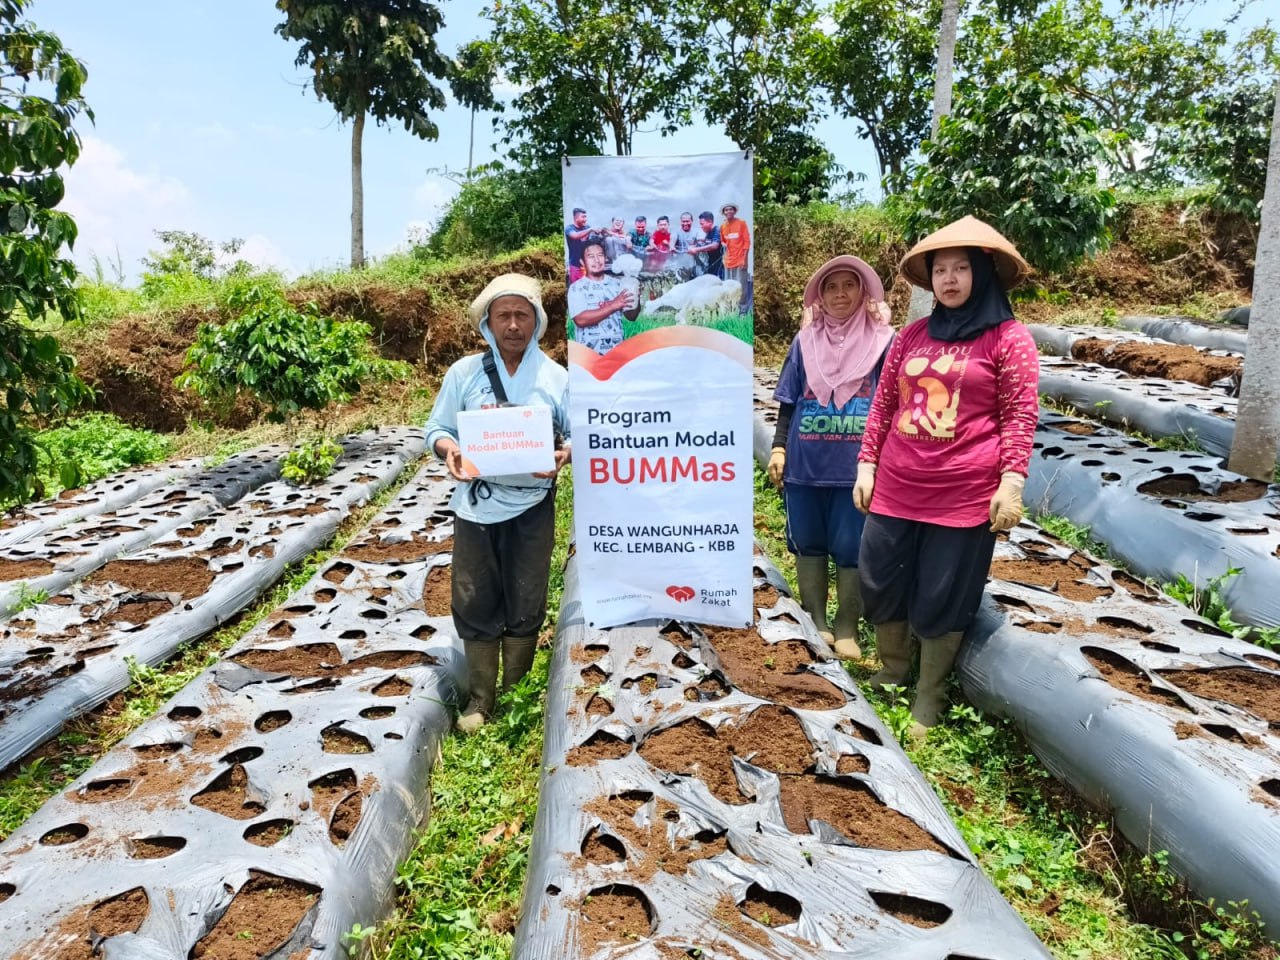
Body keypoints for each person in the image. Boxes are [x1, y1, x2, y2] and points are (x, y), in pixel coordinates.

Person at [853, 216, 1038, 738]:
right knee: (879, 575)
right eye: (940, 270)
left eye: (961, 268)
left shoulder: (1009, 339)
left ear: (983, 273)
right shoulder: (912, 335)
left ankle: (928, 694)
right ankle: (893, 667)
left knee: (944, 591)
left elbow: (1020, 414)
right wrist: (867, 464)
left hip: (963, 492)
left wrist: (1012, 480)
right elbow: (884, 404)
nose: (949, 279)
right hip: (898, 484)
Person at [424, 274, 571, 734]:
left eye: (521, 315)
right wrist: (450, 449)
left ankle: (516, 693)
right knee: (474, 595)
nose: (512, 325)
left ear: (537, 322)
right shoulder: (464, 374)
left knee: (527, 593)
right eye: (503, 315)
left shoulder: (556, 378)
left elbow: (577, 433)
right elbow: (437, 429)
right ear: (487, 323)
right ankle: (481, 698)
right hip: (476, 506)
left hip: (531, 504)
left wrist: (565, 454)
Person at [767, 256, 894, 660]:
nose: (840, 294)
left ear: (863, 292)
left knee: (852, 546)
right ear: (819, 296)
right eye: (831, 287)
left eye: (849, 285)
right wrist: (779, 447)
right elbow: (788, 401)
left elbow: (891, 405)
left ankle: (847, 625)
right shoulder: (804, 342)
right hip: (806, 464)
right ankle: (817, 619)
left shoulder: (884, 342)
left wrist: (881, 462)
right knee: (809, 543)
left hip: (856, 467)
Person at [568, 241, 641, 353]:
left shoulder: (618, 284)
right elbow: (580, 320)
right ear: (582, 262)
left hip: (616, 354)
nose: (597, 260)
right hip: (588, 356)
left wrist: (636, 299)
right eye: (591, 256)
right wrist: (613, 305)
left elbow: (631, 317)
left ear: (606, 258)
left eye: (600, 255)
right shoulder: (576, 288)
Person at [564, 208, 596, 283]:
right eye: (583, 217)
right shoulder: (569, 228)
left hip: (587, 266)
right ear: (576, 218)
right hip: (575, 266)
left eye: (585, 217)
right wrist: (590, 230)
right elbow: (575, 236)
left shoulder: (587, 227)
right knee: (576, 287)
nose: (585, 219)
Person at [690, 212, 723, 278]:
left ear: (710, 222)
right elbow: (707, 243)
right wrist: (696, 244)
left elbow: (714, 245)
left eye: (702, 224)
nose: (701, 226)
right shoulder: (708, 233)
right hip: (711, 264)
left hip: (718, 266)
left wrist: (697, 249)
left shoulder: (716, 230)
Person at [672, 212, 697, 278]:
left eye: (687, 221)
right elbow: (672, 240)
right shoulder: (676, 231)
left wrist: (695, 246)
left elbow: (700, 242)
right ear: (680, 222)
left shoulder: (697, 232)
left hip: (693, 262)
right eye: (683, 221)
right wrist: (672, 246)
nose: (685, 223)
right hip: (680, 262)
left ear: (692, 221)